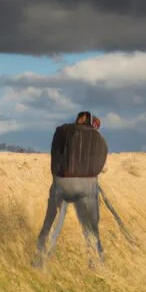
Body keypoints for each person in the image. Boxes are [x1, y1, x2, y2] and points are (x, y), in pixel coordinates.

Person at [32, 110, 109, 268]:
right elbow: (101, 162)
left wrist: (58, 177)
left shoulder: (63, 131)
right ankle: (96, 259)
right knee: (91, 224)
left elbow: (55, 157)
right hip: (87, 184)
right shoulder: (96, 137)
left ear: (78, 119)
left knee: (51, 218)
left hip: (62, 183)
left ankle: (41, 253)